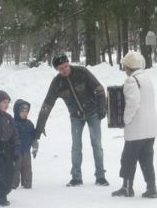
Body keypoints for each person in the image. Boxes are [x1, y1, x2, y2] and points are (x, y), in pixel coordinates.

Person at [33, 54, 108, 187]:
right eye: (61, 68)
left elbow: (99, 89)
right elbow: (47, 105)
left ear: (68, 63)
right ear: (57, 69)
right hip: (76, 117)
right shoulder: (57, 83)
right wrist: (40, 127)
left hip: (93, 113)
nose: (65, 70)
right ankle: (76, 177)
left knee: (96, 144)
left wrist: (102, 109)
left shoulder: (82, 72)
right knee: (76, 146)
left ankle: (100, 176)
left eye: (66, 66)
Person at [112, 50, 157, 198]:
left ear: (129, 67)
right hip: (150, 128)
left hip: (137, 128)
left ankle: (127, 187)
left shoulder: (132, 81)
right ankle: (151, 188)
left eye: (125, 66)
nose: (124, 69)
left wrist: (125, 120)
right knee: (146, 159)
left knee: (128, 158)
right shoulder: (146, 79)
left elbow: (133, 103)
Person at [13, 99, 36, 189]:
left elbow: (33, 135)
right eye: (22, 111)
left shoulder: (29, 124)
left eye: (26, 111)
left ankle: (27, 182)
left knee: (27, 167)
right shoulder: (13, 123)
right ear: (16, 111)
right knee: (16, 167)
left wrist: (35, 143)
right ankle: (13, 183)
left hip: (26, 150)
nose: (24, 113)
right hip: (16, 151)